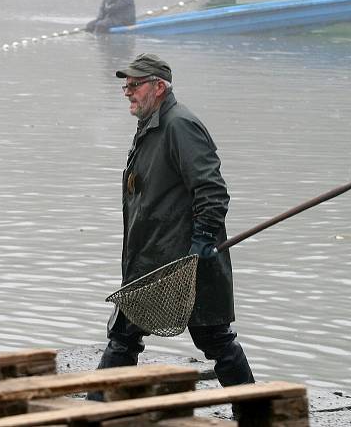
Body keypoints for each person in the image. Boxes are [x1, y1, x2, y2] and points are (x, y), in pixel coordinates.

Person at [88, 53, 254, 414]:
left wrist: (203, 240)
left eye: (134, 85)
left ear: (158, 87)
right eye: (126, 85)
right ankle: (96, 411)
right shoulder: (151, 124)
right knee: (125, 334)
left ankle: (257, 415)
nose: (127, 92)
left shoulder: (180, 125)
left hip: (185, 261)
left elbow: (212, 190)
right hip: (151, 258)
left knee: (216, 339)